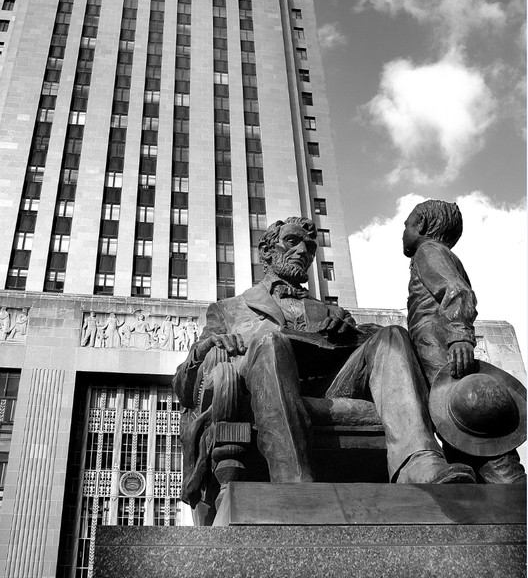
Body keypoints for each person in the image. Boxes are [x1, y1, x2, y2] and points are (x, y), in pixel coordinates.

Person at [175, 215, 476, 506]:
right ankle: (293, 481)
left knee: (392, 335)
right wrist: (206, 349)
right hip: (259, 386)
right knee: (270, 341)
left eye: (309, 247)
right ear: (266, 252)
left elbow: (363, 351)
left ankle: (418, 462)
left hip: (330, 385)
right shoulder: (228, 309)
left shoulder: (327, 309)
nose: (302, 251)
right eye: (292, 241)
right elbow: (183, 383)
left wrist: (351, 333)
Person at [402, 199, 525, 483]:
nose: (404, 230)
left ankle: (508, 479)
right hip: (433, 341)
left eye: (407, 224)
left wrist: (459, 335)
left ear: (420, 226)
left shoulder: (428, 251)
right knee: (453, 423)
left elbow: (457, 291)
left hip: (438, 340)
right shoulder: (437, 251)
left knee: (464, 411)